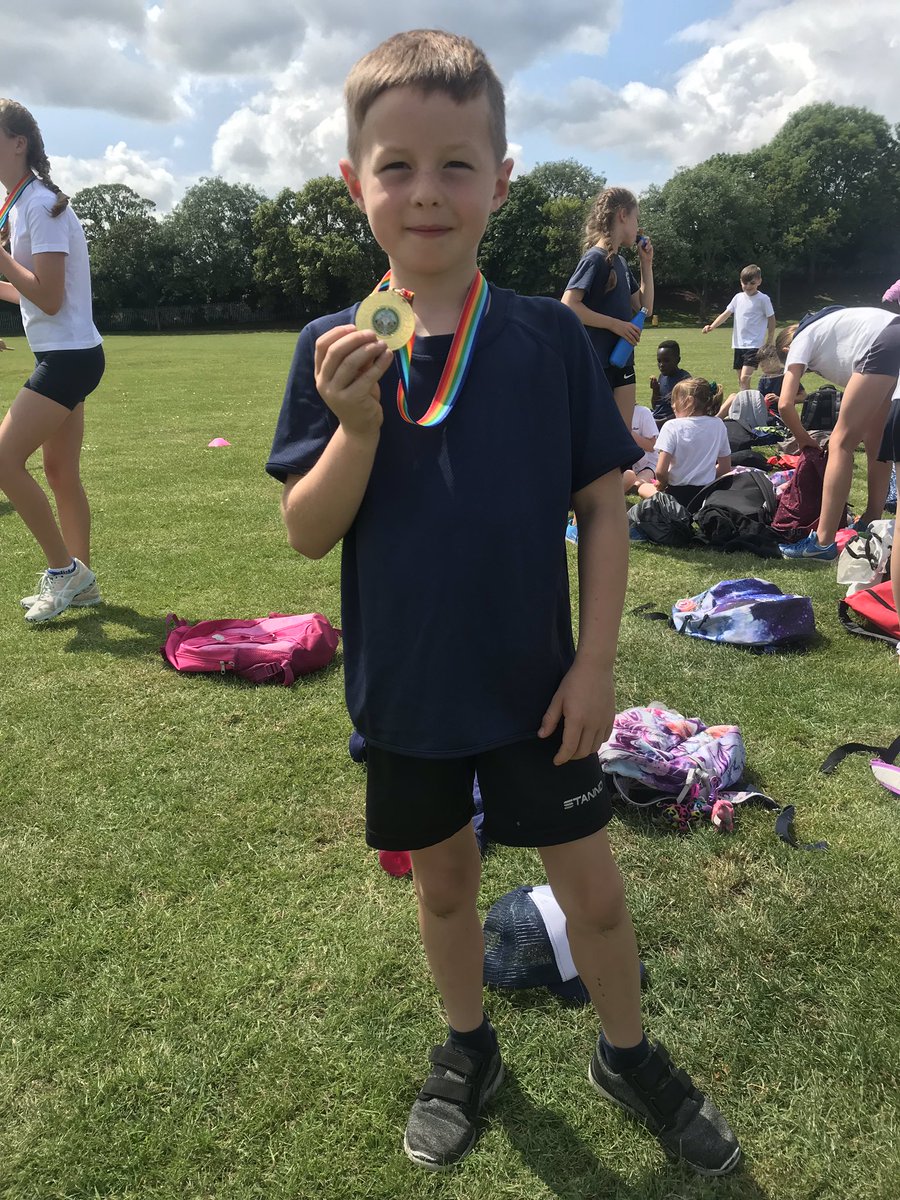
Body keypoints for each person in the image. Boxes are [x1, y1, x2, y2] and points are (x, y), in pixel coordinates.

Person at [267, 29, 739, 1178]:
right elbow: (306, 529)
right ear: (354, 183)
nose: (426, 193)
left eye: (456, 165)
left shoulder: (542, 339)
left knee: (598, 895)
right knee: (445, 887)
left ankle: (625, 1052)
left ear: (503, 179)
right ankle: (468, 1047)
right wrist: (359, 430)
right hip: (414, 683)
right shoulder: (333, 351)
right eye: (396, 166)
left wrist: (596, 665)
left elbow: (605, 504)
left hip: (542, 685)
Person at [0, 99, 103, 621]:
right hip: (69, 353)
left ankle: (64, 571)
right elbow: (34, 295)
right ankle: (81, 583)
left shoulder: (37, 206)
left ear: (18, 143)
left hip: (68, 359)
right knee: (60, 471)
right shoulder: (23, 206)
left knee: (2, 460)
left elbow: (51, 297)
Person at [773, 307, 900, 558]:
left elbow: (785, 404)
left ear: (786, 351)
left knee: (840, 443)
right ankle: (871, 519)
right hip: (892, 334)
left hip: (882, 342)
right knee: (875, 440)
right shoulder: (823, 328)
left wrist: (803, 439)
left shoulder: (800, 340)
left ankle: (822, 543)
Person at [562, 187, 654, 426]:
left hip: (623, 360)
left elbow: (645, 308)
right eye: (637, 218)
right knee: (597, 438)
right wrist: (616, 325)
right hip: (596, 363)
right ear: (623, 215)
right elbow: (569, 305)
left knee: (621, 439)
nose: (638, 226)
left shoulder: (621, 262)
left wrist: (646, 265)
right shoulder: (595, 258)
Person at [646, 378, 732, 508]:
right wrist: (703, 473)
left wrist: (662, 484)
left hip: (676, 496)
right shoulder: (718, 424)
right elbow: (725, 468)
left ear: (689, 401)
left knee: (643, 487)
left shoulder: (672, 426)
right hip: (706, 496)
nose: (673, 405)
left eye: (675, 400)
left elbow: (660, 472)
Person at [702, 265, 775, 390]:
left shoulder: (763, 299)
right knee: (741, 381)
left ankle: (750, 405)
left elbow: (772, 320)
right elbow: (726, 314)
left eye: (752, 283)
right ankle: (745, 405)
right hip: (738, 345)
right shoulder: (738, 298)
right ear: (740, 282)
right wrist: (712, 326)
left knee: (744, 378)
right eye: (744, 283)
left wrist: (769, 340)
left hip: (754, 345)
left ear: (759, 281)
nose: (748, 286)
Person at [649, 339, 690, 424]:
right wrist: (655, 390)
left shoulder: (684, 380)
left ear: (677, 360)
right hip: (656, 418)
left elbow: (685, 411)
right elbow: (656, 406)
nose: (661, 365)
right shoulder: (662, 376)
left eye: (666, 361)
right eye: (659, 361)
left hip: (671, 423)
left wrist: (659, 422)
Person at [621, 403, 659, 495]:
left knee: (643, 477)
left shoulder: (643, 412)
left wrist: (628, 432)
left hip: (645, 464)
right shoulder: (608, 413)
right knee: (629, 475)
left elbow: (651, 446)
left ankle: (635, 486)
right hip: (623, 466)